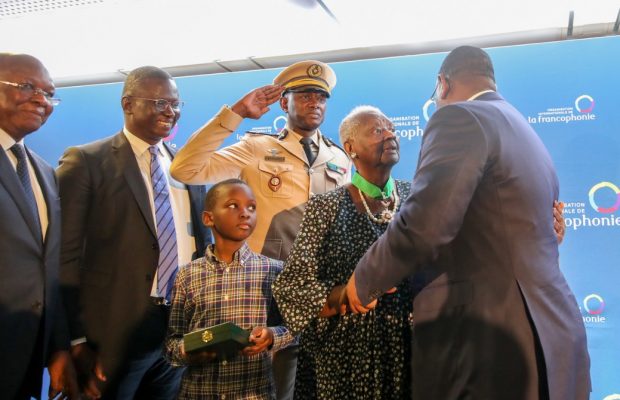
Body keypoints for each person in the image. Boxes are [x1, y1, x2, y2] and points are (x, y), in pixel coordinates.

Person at [344, 46, 590, 399]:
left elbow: (425, 225)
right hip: (551, 337)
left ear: (442, 84)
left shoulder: (459, 118)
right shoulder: (522, 128)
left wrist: (364, 279)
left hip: (488, 345)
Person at [170, 60, 351, 399]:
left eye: (321, 97)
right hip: (266, 291)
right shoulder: (256, 148)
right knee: (269, 387)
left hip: (322, 293)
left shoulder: (339, 160)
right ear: (285, 103)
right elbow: (185, 168)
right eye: (306, 95)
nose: (315, 103)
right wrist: (235, 114)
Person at [57, 66, 211, 399]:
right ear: (128, 104)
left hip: (178, 329)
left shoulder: (185, 167)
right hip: (110, 334)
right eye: (159, 103)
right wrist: (76, 339)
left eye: (175, 103)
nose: (170, 111)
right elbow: (65, 256)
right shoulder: (86, 161)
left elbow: (201, 246)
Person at [273, 106, 413, 399]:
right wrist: (346, 295)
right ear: (351, 149)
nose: (390, 135)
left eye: (391, 129)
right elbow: (291, 287)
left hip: (408, 348)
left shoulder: (415, 197)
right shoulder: (326, 207)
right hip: (342, 356)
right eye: (377, 130)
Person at [165, 179, 294, 399]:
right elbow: (172, 343)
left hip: (253, 393)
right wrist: (189, 351)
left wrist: (272, 336)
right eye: (233, 205)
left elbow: (294, 328)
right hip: (199, 392)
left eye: (251, 207)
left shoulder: (274, 270)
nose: (245, 213)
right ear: (208, 218)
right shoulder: (187, 275)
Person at [0, 53, 79, 400]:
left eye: (48, 94)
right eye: (27, 87)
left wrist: (57, 347)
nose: (40, 100)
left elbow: (47, 267)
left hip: (25, 358)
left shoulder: (44, 172)